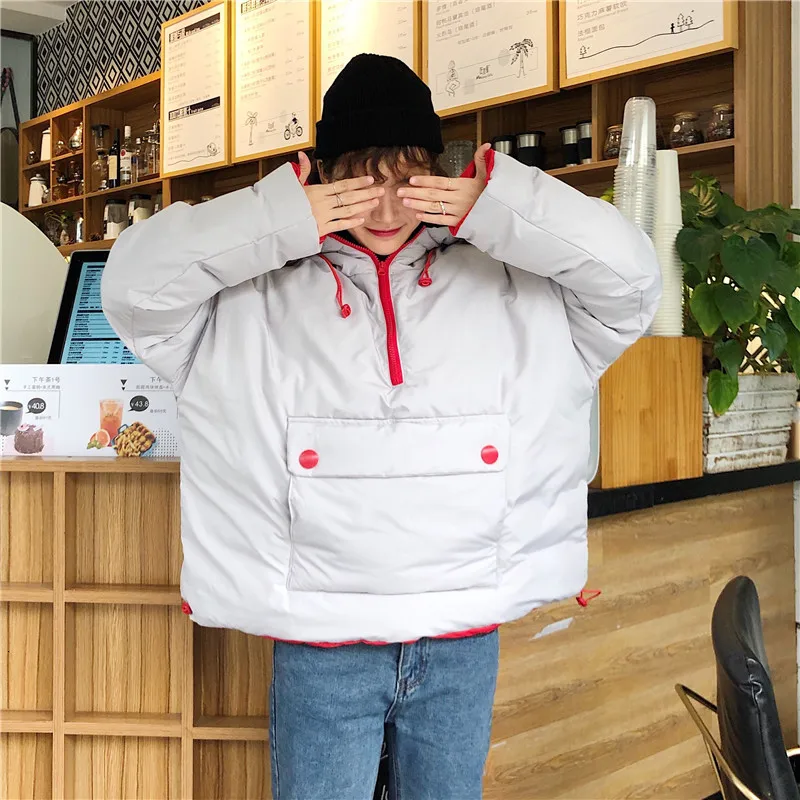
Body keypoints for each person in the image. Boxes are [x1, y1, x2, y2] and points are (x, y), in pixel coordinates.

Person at [102, 54, 660, 800]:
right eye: (362, 181)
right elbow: (132, 287)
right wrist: (278, 219)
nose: (388, 209)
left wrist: (499, 208)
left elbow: (633, 280)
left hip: (463, 633)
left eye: (407, 178)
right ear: (321, 177)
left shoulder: (520, 288)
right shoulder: (241, 302)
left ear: (439, 172)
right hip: (321, 641)